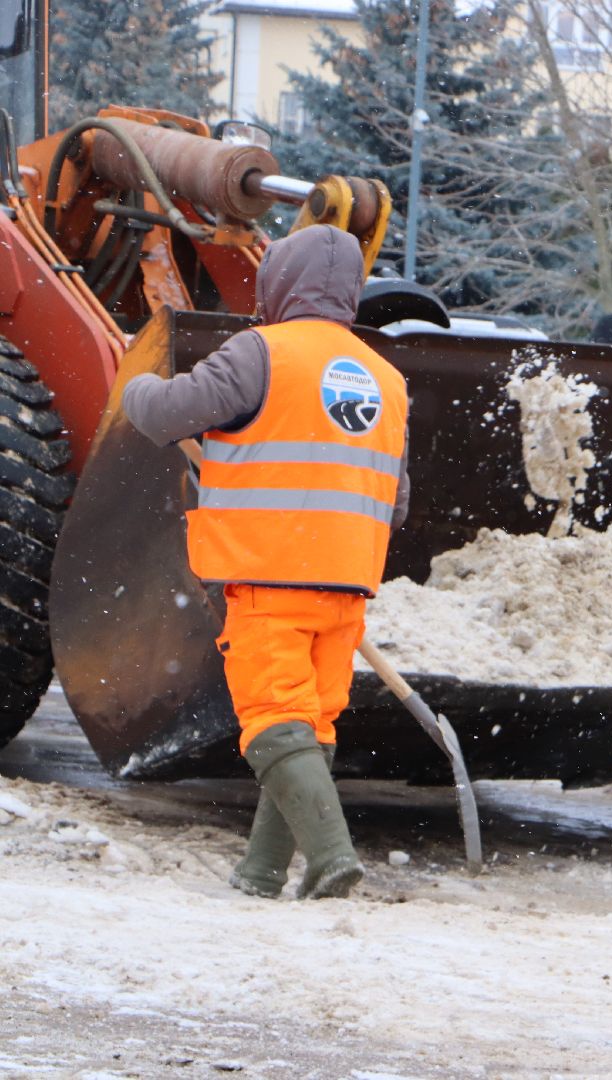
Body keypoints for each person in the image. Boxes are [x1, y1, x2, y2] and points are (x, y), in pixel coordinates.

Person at [122, 224, 410, 900]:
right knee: (310, 722)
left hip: (270, 573)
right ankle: (261, 870)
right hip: (347, 585)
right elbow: (396, 503)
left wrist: (134, 386)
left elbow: (168, 413)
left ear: (281, 282)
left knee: (272, 722)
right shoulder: (387, 380)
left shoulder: (260, 353)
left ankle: (332, 857)